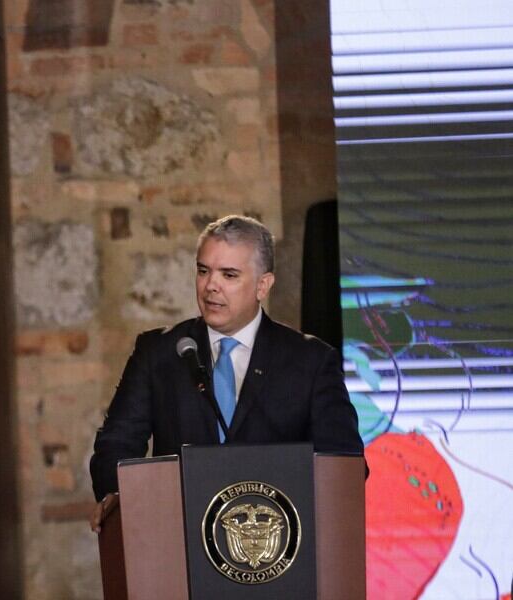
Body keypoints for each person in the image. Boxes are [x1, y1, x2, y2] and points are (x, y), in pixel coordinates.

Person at [89, 215, 363, 532]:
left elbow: (343, 464)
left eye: (228, 275)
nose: (210, 286)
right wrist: (116, 495)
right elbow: (117, 443)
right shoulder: (159, 353)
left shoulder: (311, 362)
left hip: (276, 546)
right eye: (203, 271)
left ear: (264, 285)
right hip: (178, 537)